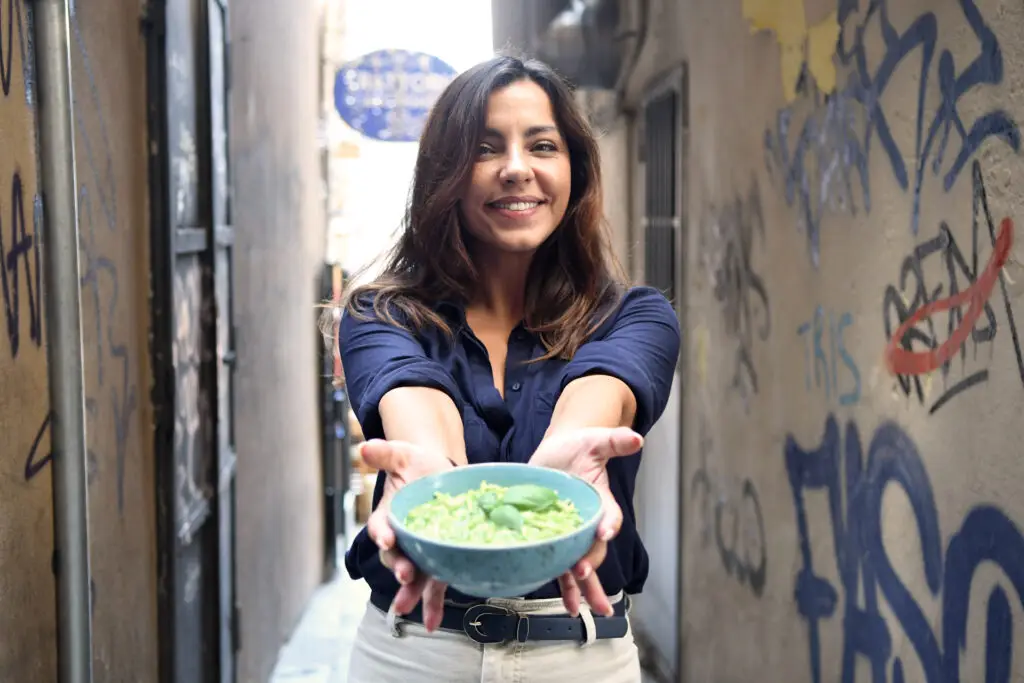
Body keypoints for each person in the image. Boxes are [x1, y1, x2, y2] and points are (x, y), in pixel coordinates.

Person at [332, 54, 681, 683]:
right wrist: (431, 482)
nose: (516, 169)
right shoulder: (378, 315)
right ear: (446, 174)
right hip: (412, 653)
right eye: (486, 148)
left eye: (542, 145)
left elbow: (597, 398)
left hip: (581, 656)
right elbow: (416, 406)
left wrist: (566, 471)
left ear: (573, 167)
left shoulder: (638, 316)